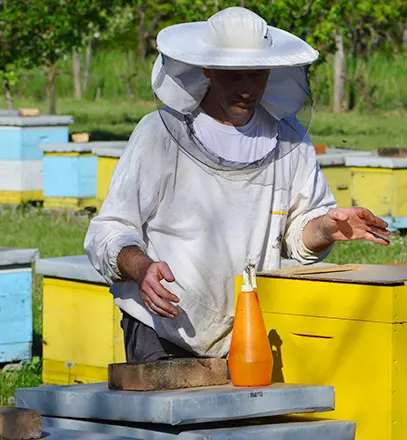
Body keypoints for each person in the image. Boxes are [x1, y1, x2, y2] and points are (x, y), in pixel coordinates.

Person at [84, 6, 390, 364]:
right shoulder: (159, 136)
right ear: (208, 70)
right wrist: (141, 269)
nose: (246, 89)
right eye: (234, 76)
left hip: (252, 328)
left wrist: (325, 227)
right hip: (163, 326)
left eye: (256, 74)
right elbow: (109, 231)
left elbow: (295, 238)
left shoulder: (289, 140)